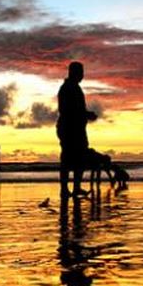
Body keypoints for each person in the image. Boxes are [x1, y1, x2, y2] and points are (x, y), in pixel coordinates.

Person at [57, 61, 97, 196]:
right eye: (80, 73)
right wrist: (87, 114)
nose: (82, 75)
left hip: (76, 128)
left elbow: (77, 109)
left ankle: (75, 187)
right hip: (69, 128)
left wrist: (86, 114)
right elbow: (69, 110)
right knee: (68, 158)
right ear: (73, 73)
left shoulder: (73, 87)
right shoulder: (68, 88)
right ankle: (64, 189)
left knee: (79, 158)